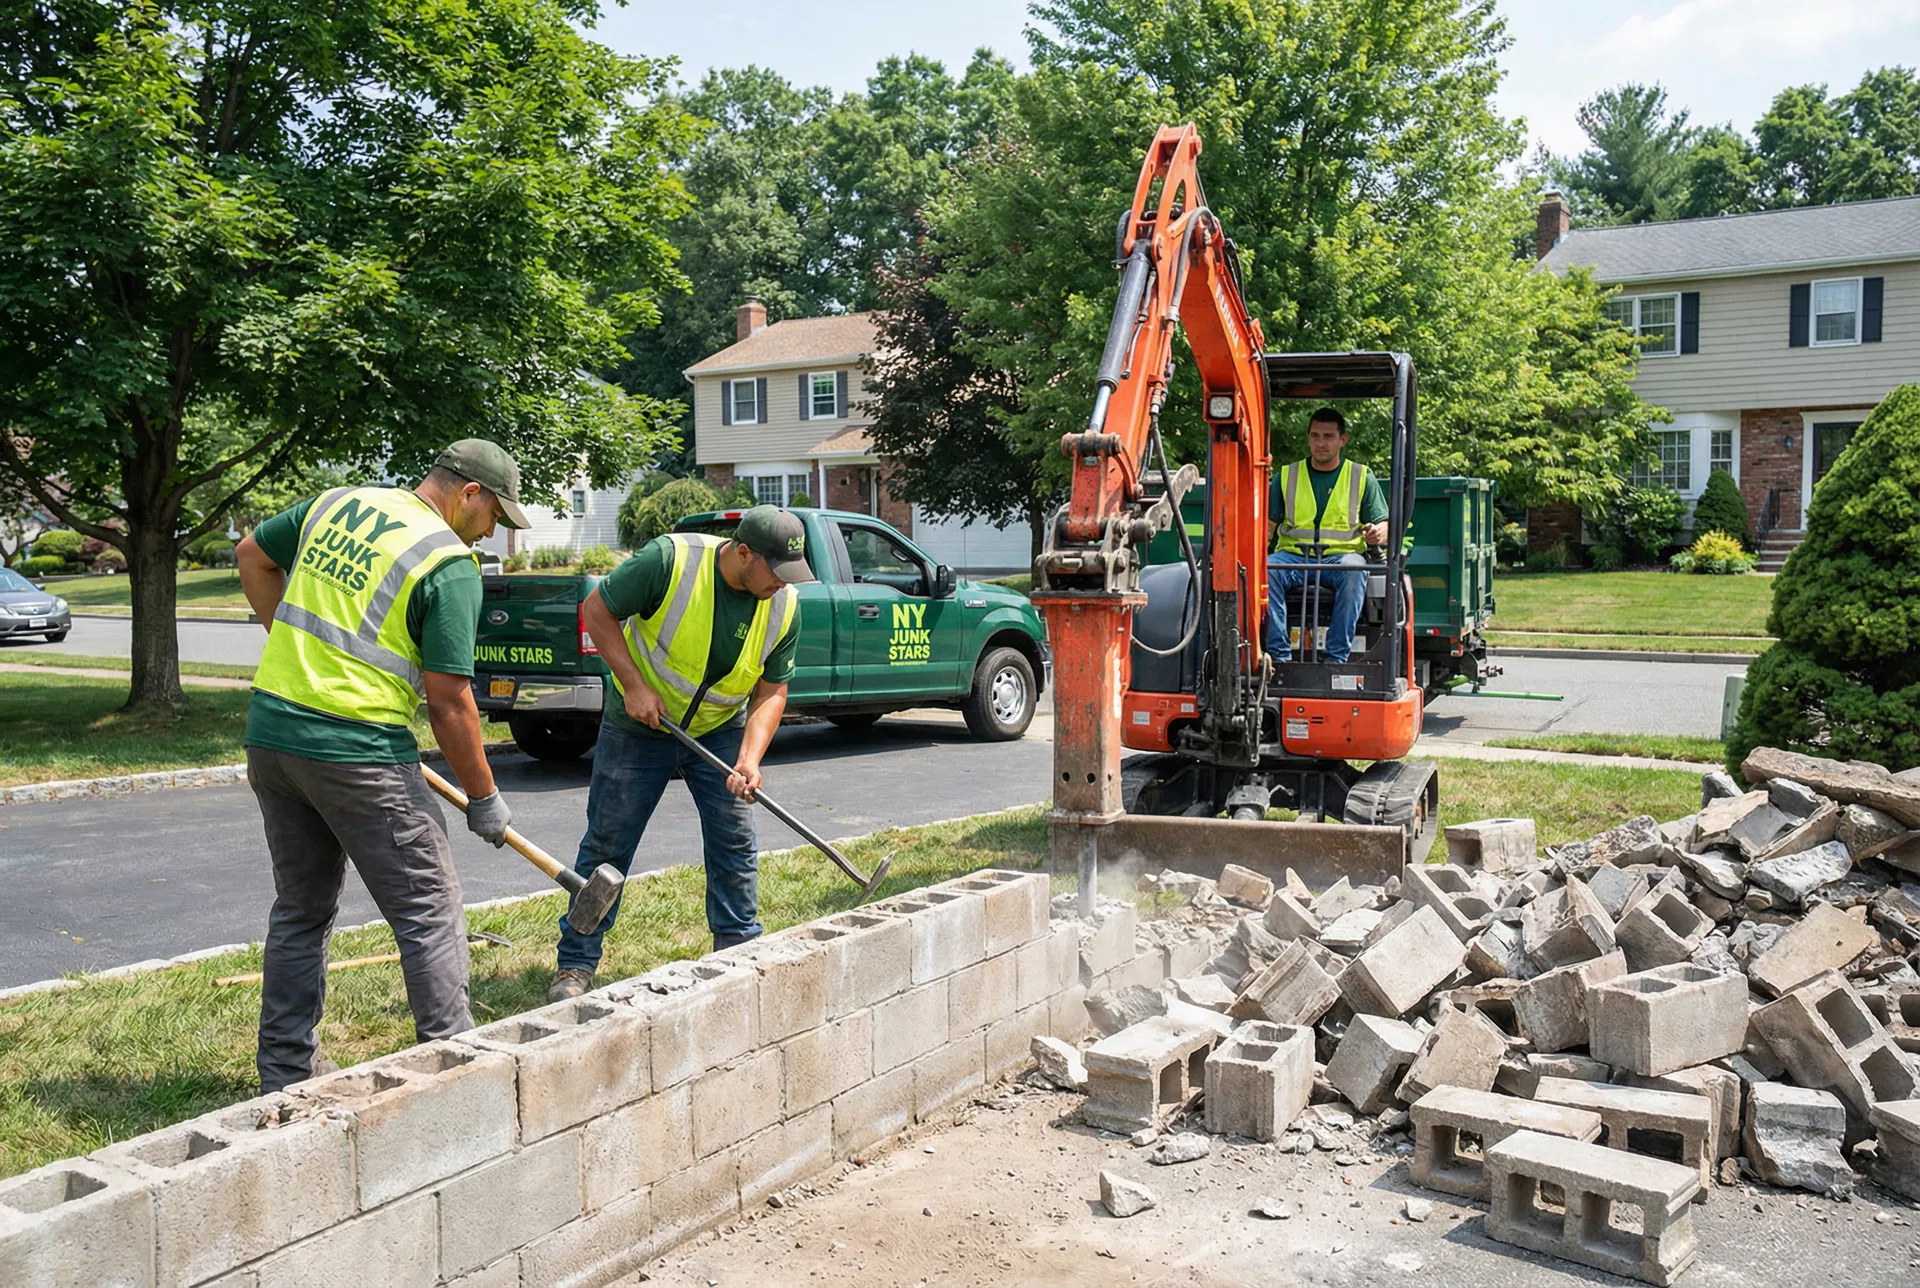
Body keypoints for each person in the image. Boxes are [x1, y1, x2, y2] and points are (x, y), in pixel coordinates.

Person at [235, 440, 527, 1093]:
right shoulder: (447, 562)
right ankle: (454, 1072)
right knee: (429, 904)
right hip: (357, 747)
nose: (494, 534)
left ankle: (284, 1073)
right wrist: (483, 796)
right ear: (468, 493)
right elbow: (450, 701)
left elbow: (251, 556)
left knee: (301, 907)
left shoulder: (341, 503)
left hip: (273, 732)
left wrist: (290, 641)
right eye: (495, 518)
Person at [547, 505, 810, 1001]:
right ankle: (575, 964)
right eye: (776, 572)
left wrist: (750, 758)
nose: (783, 584)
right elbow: (597, 611)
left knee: (734, 841)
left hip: (718, 729)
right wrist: (633, 685)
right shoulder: (670, 561)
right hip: (638, 728)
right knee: (608, 847)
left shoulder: (785, 605)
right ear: (744, 552)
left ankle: (737, 951)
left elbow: (773, 690)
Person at [1265, 407, 1389, 664]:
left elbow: (1383, 524)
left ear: (1343, 439)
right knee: (1265, 569)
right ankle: (1279, 658)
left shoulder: (1361, 476)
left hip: (1339, 560)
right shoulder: (1286, 476)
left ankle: (1335, 659)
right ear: (1308, 437)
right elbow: (1267, 527)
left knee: (1355, 569)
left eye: (1329, 436)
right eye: (1315, 435)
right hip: (1293, 558)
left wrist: (1379, 532)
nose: (1321, 443)